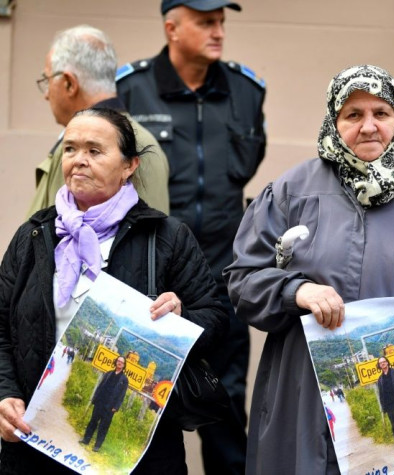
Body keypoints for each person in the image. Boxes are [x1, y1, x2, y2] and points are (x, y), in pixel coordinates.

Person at [225, 64, 394, 474]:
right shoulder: (289, 192)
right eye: (353, 115)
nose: (368, 127)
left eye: (381, 114)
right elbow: (243, 280)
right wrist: (295, 291)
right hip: (303, 406)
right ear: (334, 122)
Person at [0, 107, 228, 473]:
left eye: (94, 150)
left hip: (137, 456)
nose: (79, 161)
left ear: (129, 166)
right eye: (71, 149)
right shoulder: (34, 236)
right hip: (34, 445)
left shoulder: (166, 237)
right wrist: (5, 394)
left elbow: (216, 319)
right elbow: (1, 329)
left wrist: (181, 315)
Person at [116, 2, 266, 470]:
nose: (218, 31)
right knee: (135, 397)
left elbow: (245, 167)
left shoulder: (246, 90)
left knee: (225, 400)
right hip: (155, 269)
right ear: (172, 28)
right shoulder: (131, 89)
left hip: (223, 272)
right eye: (206, 22)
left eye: (221, 22)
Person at [29, 25, 169, 218]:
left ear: (69, 83)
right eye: (71, 149)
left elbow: (147, 241)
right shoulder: (139, 140)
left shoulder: (134, 143)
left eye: (48, 80)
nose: (46, 94)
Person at [79, 356, 130, 452]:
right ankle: (86, 440)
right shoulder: (108, 373)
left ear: (124, 365)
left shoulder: (124, 379)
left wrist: (116, 407)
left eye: (121, 362)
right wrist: (95, 399)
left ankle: (97, 446)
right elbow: (100, 386)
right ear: (116, 362)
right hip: (100, 402)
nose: (119, 363)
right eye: (118, 361)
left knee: (103, 426)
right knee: (93, 421)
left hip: (110, 407)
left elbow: (121, 395)